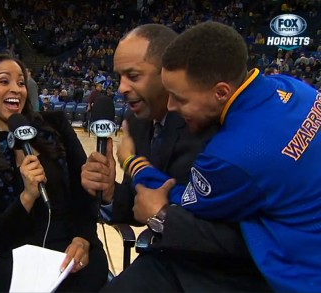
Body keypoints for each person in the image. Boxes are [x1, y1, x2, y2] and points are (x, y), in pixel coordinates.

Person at [121, 21, 321, 292]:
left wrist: (133, 163)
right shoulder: (295, 88)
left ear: (221, 92)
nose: (171, 106)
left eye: (180, 98)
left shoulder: (231, 156)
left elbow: (175, 201)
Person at [81, 24, 270, 292]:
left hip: (226, 275)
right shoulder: (136, 122)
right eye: (119, 76)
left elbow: (241, 236)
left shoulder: (215, 125)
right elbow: (142, 203)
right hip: (167, 261)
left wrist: (160, 214)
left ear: (168, 72)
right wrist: (111, 191)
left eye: (133, 76)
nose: (121, 88)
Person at [0, 53, 108, 292]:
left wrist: (84, 239)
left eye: (21, 82)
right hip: (19, 262)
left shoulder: (56, 125)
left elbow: (86, 192)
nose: (16, 89)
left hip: (74, 248)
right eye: (4, 81)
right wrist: (27, 197)